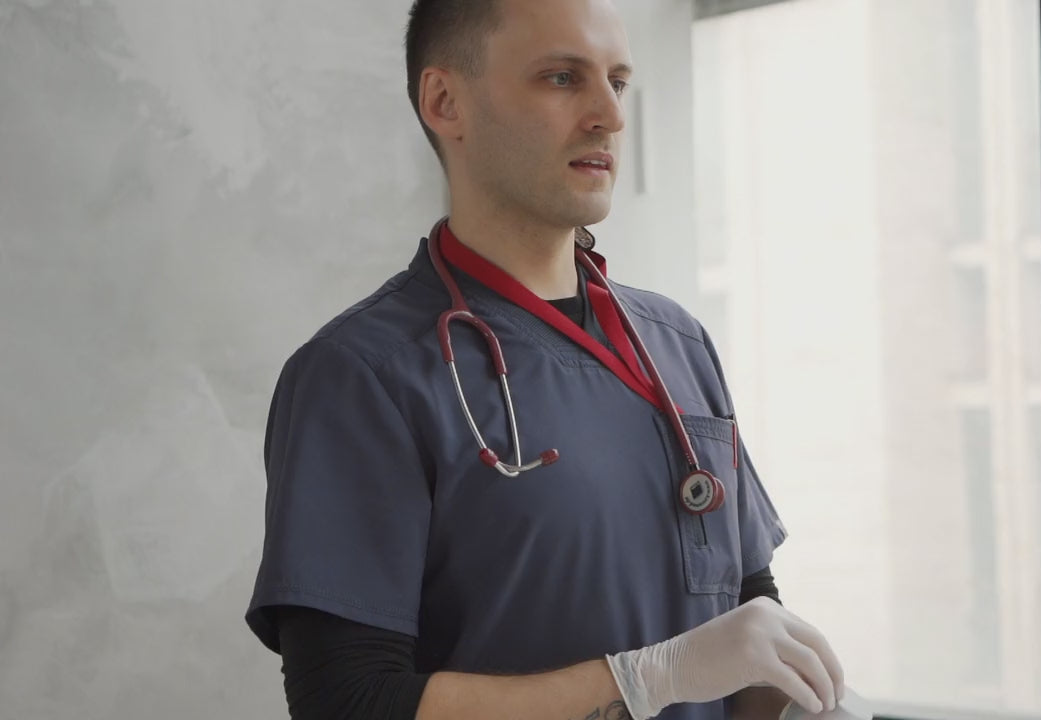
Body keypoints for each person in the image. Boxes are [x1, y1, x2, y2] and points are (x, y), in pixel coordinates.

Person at [244, 0, 846, 718]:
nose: (609, 116)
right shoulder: (363, 375)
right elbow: (348, 701)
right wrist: (641, 681)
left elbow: (746, 615)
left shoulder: (677, 344)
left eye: (617, 82)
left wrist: (802, 704)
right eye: (562, 78)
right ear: (445, 102)